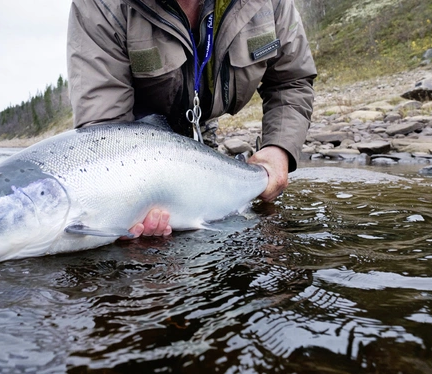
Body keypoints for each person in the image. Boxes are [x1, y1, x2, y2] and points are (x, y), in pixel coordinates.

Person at [67, 0, 316, 238]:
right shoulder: (99, 6)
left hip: (202, 120)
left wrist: (279, 148)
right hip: (137, 140)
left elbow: (291, 80)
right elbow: (105, 137)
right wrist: (118, 211)